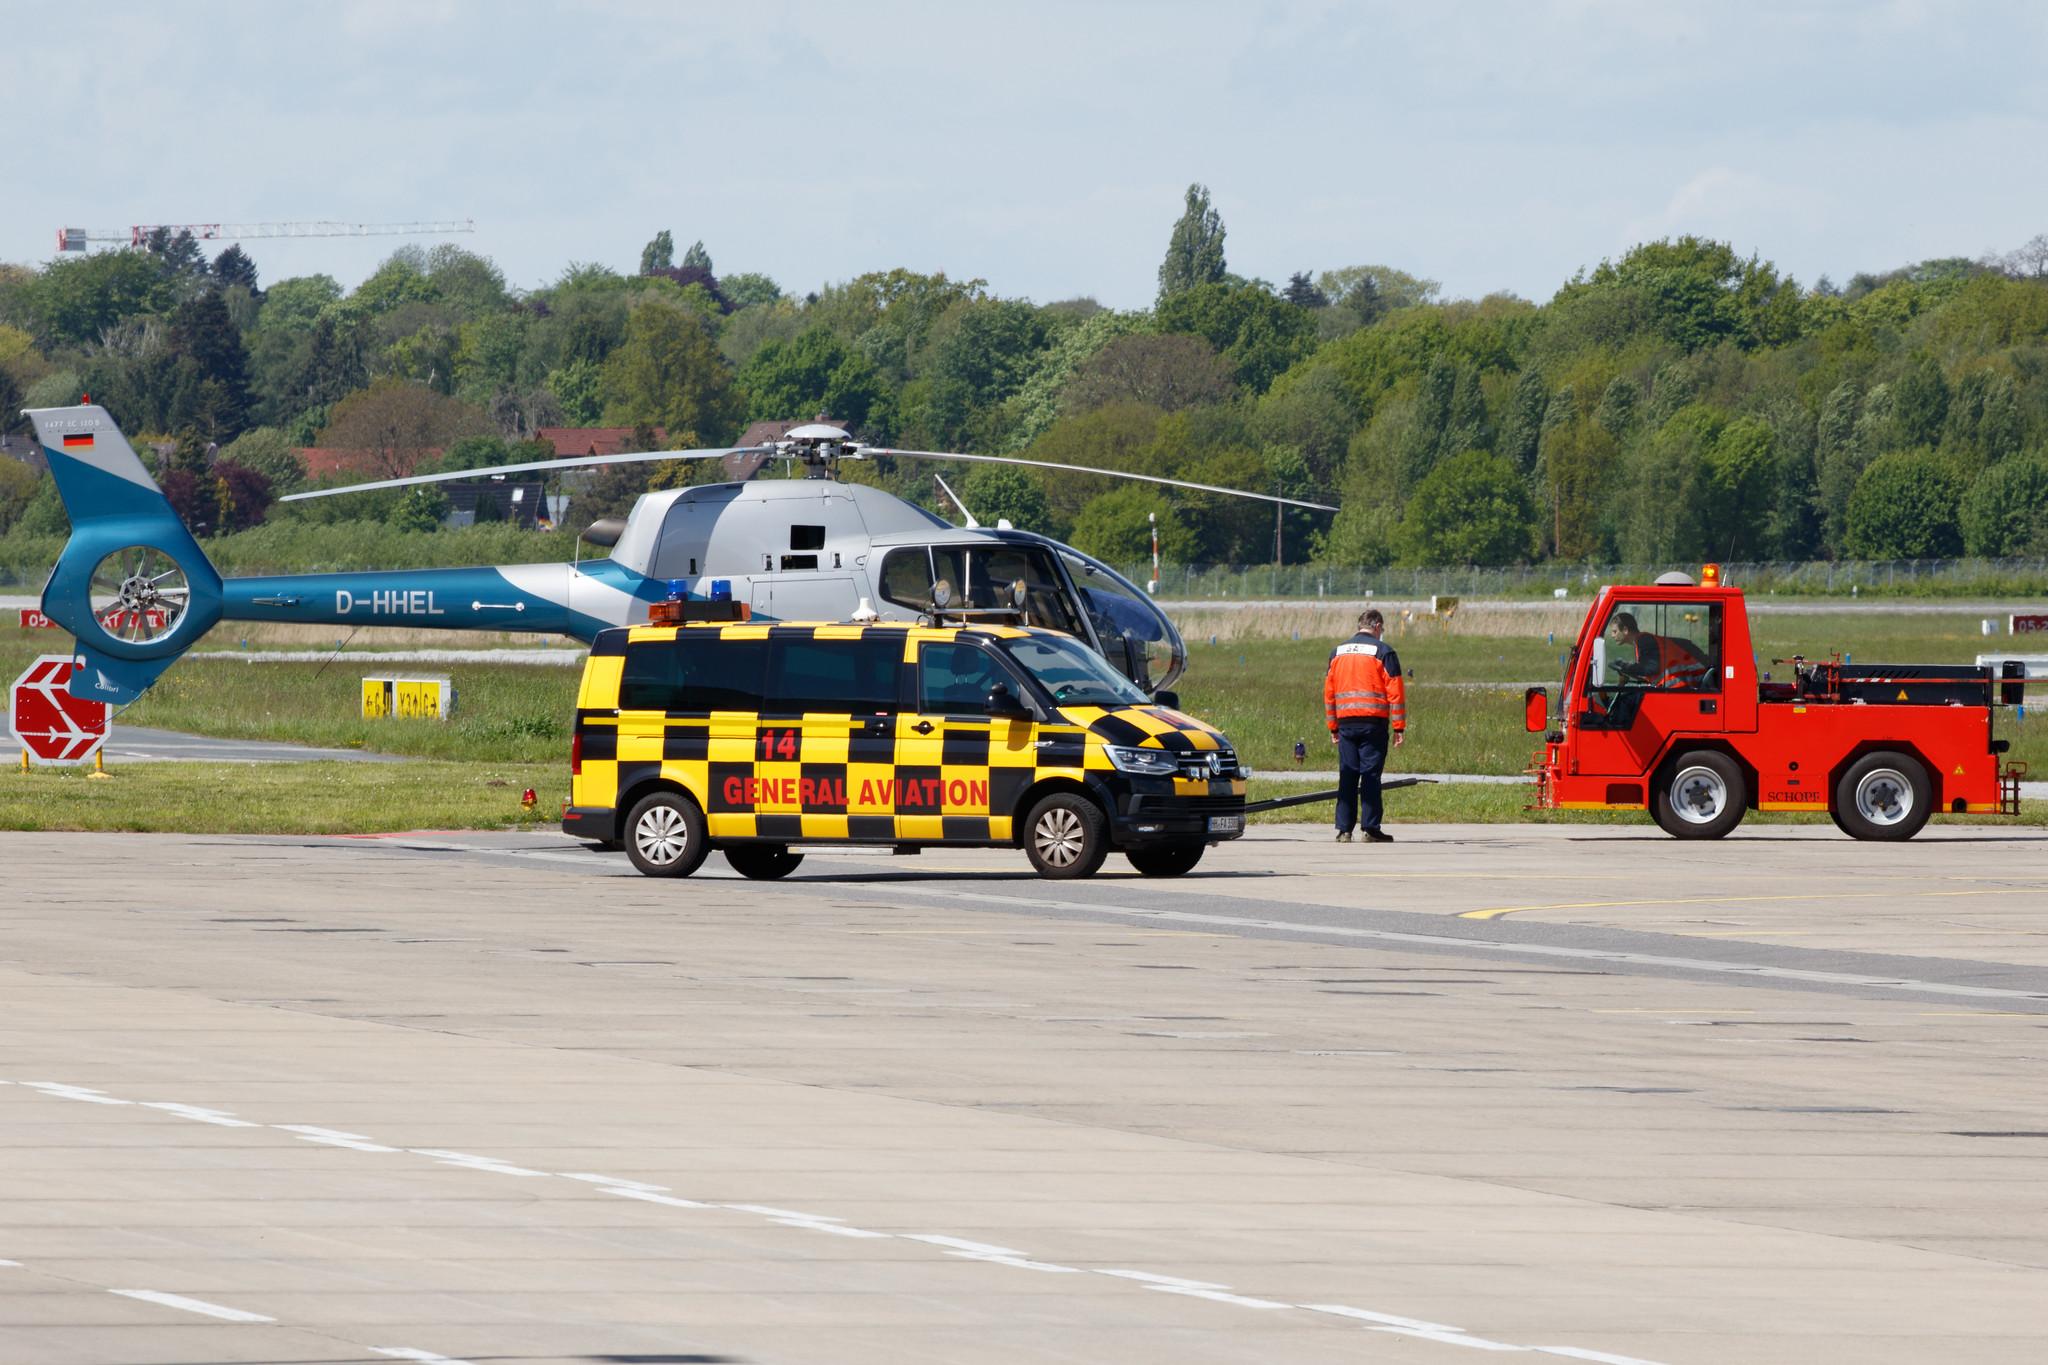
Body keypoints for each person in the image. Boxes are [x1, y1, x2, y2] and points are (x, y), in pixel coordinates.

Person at [1325, 608, 1406, 843]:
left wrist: (1333, 727)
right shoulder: (1384, 652)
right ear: (1377, 626)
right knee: (1370, 776)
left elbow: (1329, 693)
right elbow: (1395, 693)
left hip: (1345, 724)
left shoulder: (1337, 652)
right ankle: (1370, 829)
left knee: (1347, 775)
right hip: (1373, 723)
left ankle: (1344, 830)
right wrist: (1399, 727)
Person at [1610, 612, 1708, 689]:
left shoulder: (1645, 641)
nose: (1612, 635)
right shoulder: (1641, 642)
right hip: (1672, 687)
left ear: (1625, 630)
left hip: (1677, 686)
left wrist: (1625, 666)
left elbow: (1650, 669)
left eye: (1615, 631)